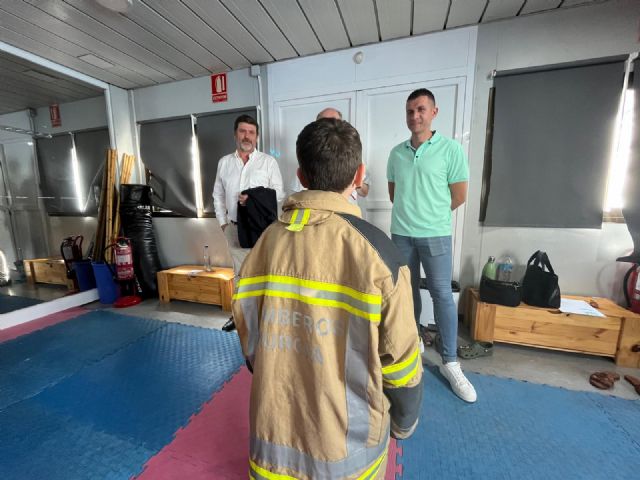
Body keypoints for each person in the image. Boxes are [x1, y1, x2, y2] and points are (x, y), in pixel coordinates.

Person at [232, 118, 423, 479]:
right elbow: (401, 362)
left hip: (272, 451)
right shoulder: (379, 254)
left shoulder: (265, 245)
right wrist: (404, 422)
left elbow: (250, 336)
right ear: (359, 175)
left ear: (301, 176)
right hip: (351, 460)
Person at [387, 88, 477, 403]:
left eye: (421, 110)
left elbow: (460, 195)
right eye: (410, 111)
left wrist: (430, 215)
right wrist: (412, 216)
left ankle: (451, 363)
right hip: (401, 235)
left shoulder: (451, 150)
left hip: (436, 234)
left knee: (441, 296)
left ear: (434, 112)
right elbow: (393, 194)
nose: (415, 116)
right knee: (406, 293)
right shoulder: (397, 153)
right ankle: (414, 346)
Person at [213, 114, 284, 331]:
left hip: (263, 229)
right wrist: (223, 223)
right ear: (235, 134)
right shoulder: (224, 163)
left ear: (257, 136)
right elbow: (217, 194)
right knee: (240, 273)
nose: (247, 136)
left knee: (265, 271)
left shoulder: (268, 162)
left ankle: (267, 319)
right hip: (234, 228)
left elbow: (279, 194)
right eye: (243, 131)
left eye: (251, 132)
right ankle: (239, 316)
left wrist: (253, 198)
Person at [290, 107, 370, 203]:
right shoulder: (306, 156)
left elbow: (364, 192)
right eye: (323, 123)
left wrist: (353, 179)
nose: (329, 127)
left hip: (347, 212)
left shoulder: (356, 155)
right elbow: (296, 193)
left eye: (334, 122)